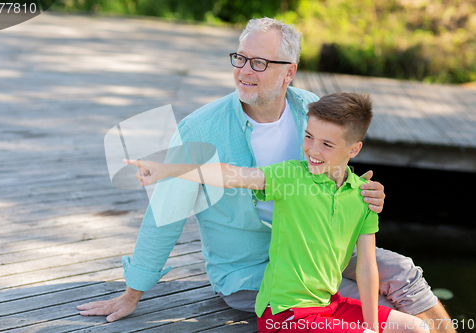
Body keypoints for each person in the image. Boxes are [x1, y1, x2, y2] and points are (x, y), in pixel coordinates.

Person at [77, 18, 453, 333]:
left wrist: (367, 195)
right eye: (240, 58)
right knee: (381, 309)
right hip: (253, 271)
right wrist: (133, 291)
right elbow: (166, 215)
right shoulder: (200, 130)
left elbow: (335, 174)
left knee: (402, 272)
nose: (244, 71)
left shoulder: (312, 110)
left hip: (320, 248)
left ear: (289, 71)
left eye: (259, 63)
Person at [122, 92, 429, 333]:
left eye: (326, 144)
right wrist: (167, 168)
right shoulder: (290, 176)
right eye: (308, 137)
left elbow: (366, 267)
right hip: (287, 313)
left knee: (417, 327)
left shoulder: (361, 194)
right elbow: (232, 174)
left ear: (354, 150)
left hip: (330, 304)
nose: (313, 150)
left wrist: (372, 326)